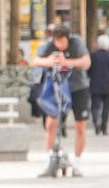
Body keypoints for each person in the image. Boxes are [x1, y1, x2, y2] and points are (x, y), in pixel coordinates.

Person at [31, 23, 93, 176]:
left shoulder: (77, 42)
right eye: (56, 42)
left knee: (80, 126)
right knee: (51, 124)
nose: (59, 45)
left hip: (78, 88)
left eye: (62, 42)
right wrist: (49, 62)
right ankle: (49, 160)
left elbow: (86, 62)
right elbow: (35, 61)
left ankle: (77, 163)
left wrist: (65, 62)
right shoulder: (49, 46)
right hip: (57, 89)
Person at [88, 33, 109, 136]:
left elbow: (88, 70)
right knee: (106, 108)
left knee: (95, 106)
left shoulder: (93, 56)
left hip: (95, 84)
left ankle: (96, 123)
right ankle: (104, 126)